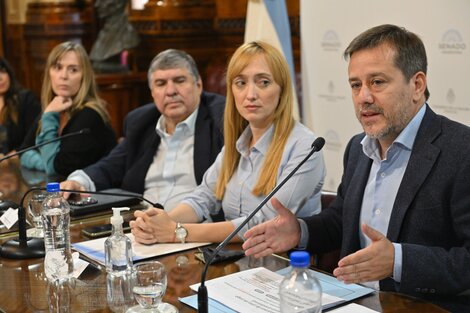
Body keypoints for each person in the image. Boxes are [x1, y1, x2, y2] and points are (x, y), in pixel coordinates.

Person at [242, 24, 470, 312]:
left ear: (417, 85)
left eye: (377, 82)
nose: (363, 97)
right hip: (350, 302)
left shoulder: (461, 151)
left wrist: (398, 261)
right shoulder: (357, 148)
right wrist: (300, 232)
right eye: (355, 85)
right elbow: (341, 220)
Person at [130, 41, 325, 244]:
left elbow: (265, 223)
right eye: (241, 83)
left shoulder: (304, 146)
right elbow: (203, 197)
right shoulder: (239, 143)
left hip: (286, 266)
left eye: (263, 82)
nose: (250, 95)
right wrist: (158, 223)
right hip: (235, 261)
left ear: (282, 90)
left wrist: (176, 232)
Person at [61, 49, 225, 210]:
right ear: (152, 92)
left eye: (179, 80)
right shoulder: (142, 122)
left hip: (193, 227)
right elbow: (112, 165)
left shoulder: (220, 119)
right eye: (160, 84)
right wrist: (78, 181)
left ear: (198, 85)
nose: (171, 91)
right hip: (141, 223)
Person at [20, 41, 117, 178]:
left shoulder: (90, 115)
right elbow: (23, 152)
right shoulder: (52, 109)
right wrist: (46, 164)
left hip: (95, 195)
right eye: (57, 67)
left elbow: (56, 168)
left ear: (84, 77)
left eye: (73, 70)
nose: (63, 76)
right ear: (49, 73)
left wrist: (49, 116)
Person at [0, 57, 41, 155]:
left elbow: (36, 135)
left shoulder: (26, 99)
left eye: (3, 71)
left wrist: (17, 153)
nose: (0, 78)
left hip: (22, 161)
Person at [89, 0, 139, 72]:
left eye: (103, 1)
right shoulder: (103, 33)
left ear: (118, 3)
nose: (97, 5)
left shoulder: (128, 35)